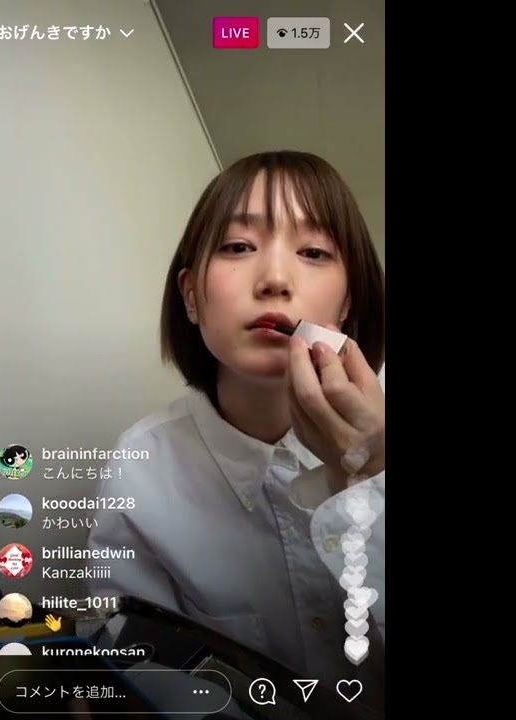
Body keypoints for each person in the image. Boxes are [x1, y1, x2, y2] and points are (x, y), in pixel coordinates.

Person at [87, 151, 386, 687]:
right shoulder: (140, 470)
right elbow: (135, 663)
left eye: (314, 252)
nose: (275, 279)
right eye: (238, 247)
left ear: (347, 304)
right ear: (191, 296)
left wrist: (370, 478)